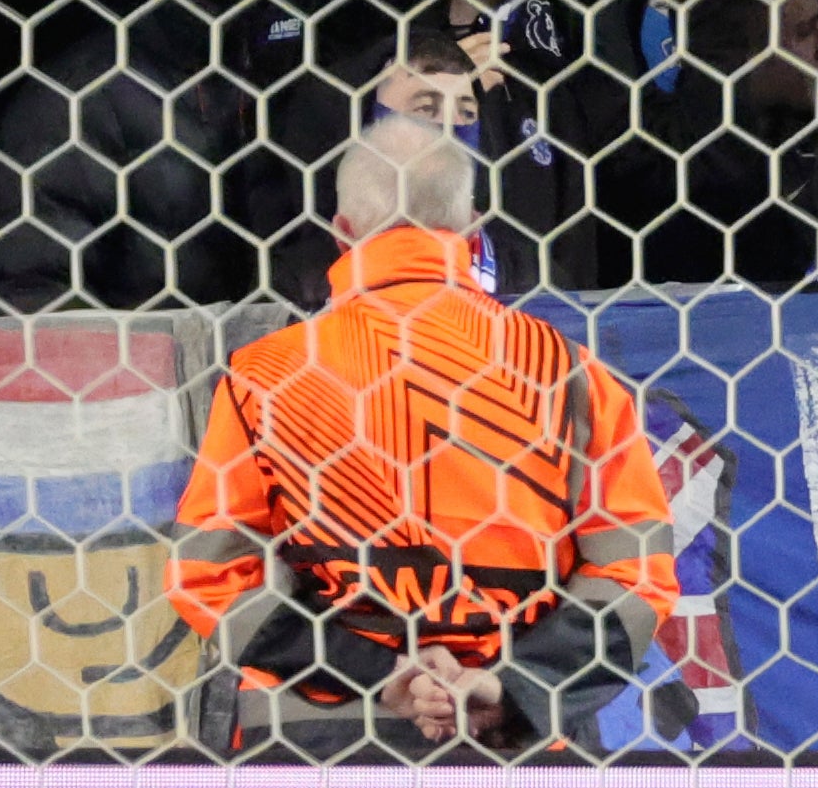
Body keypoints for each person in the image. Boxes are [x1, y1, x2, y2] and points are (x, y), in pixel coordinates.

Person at [170, 121, 680, 745]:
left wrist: (379, 674)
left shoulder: (265, 375)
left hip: (313, 747)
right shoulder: (568, 373)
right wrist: (511, 686)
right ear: (472, 228)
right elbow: (636, 575)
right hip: (515, 744)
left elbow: (208, 574)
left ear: (342, 234)